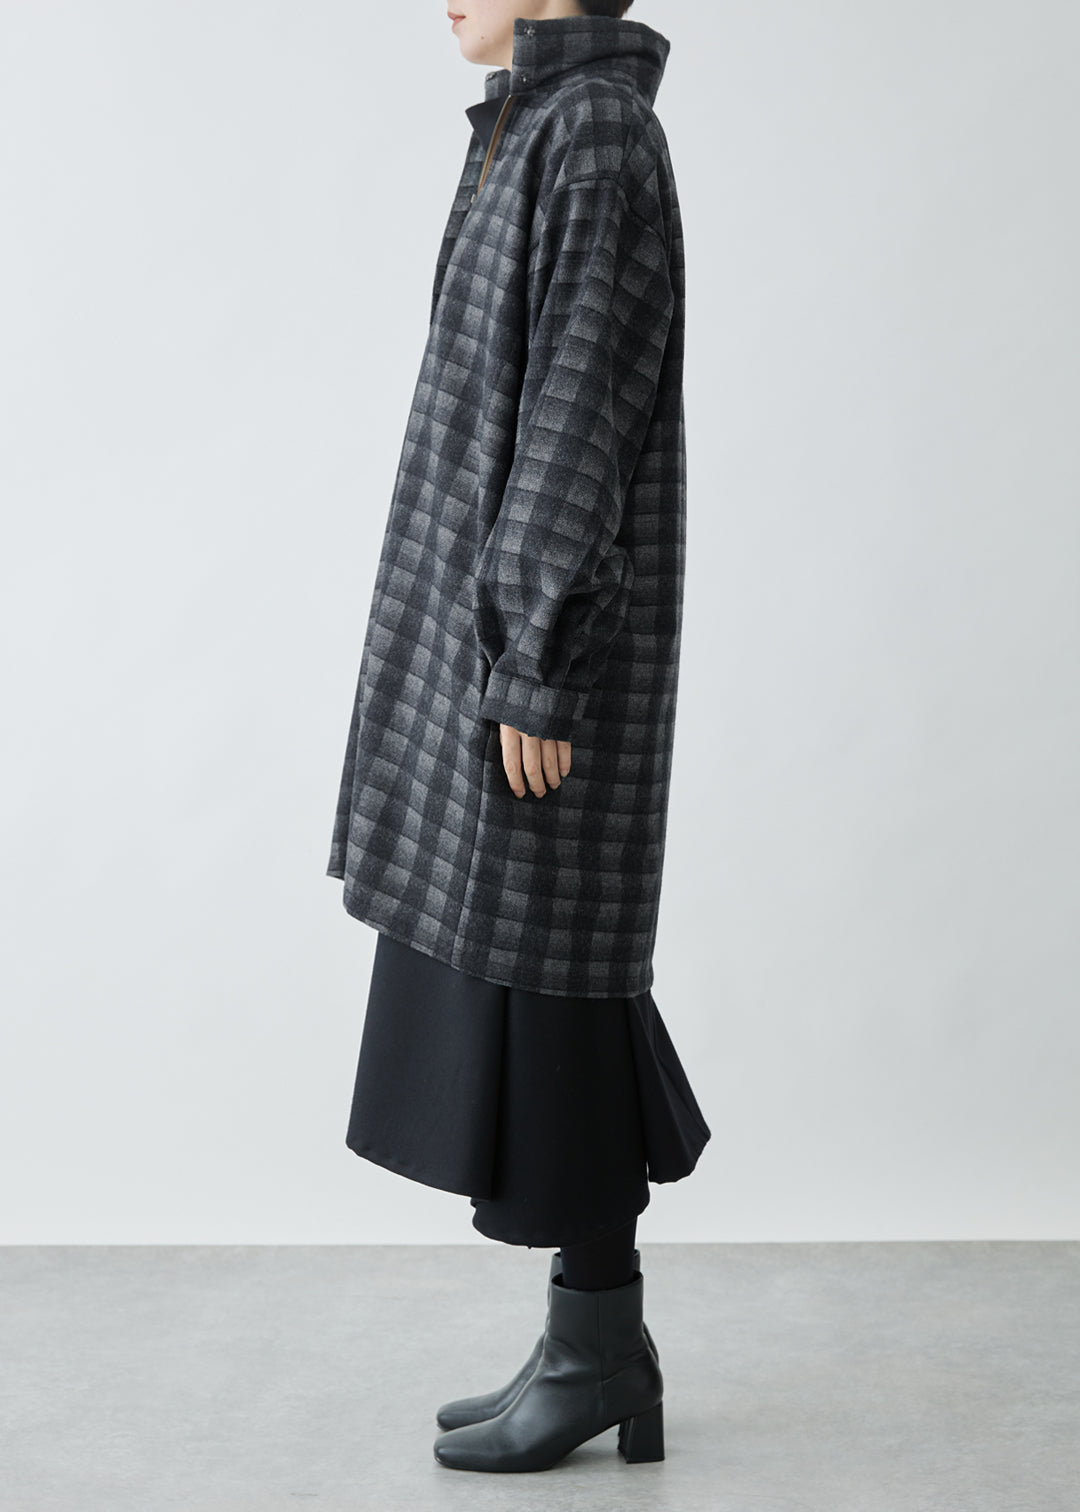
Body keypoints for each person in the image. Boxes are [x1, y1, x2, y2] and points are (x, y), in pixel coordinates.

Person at [325, 0, 711, 1474]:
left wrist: (536, 665)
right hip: (491, 635)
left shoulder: (595, 132)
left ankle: (598, 1349)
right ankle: (591, 1343)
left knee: (559, 984)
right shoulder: (533, 124)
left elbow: (576, 414)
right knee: (547, 977)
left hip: (545, 650)